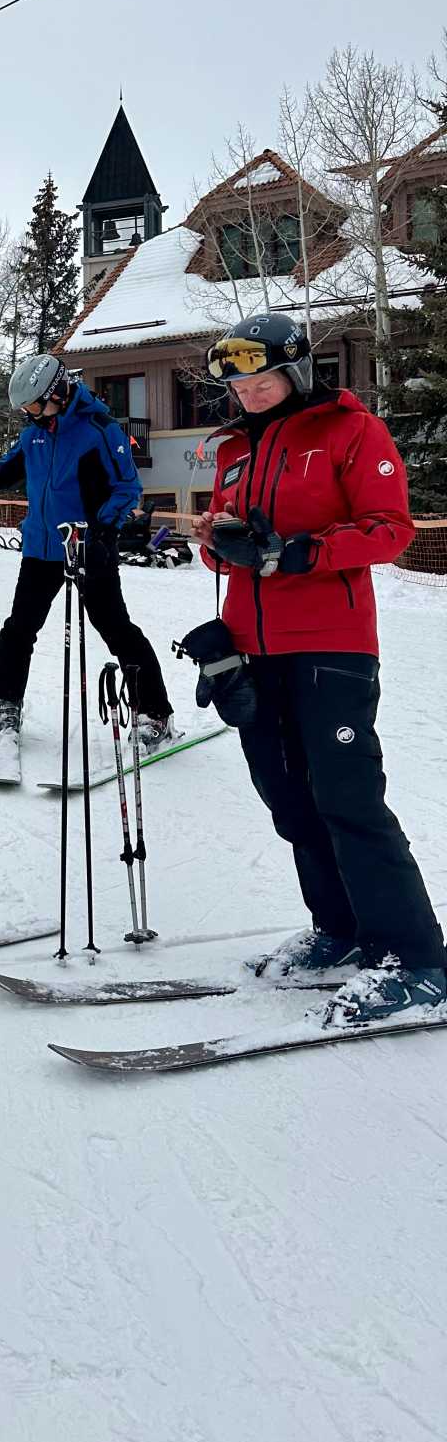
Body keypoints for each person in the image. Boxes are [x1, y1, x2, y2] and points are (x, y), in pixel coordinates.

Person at [192, 312, 444, 1025]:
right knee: (289, 801)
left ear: (295, 373)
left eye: (262, 378)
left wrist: (302, 551)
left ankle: (418, 959)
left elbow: (390, 531)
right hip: (253, 649)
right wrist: (223, 548)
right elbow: (224, 543)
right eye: (239, 383)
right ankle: (340, 932)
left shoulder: (349, 431)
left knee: (348, 800)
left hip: (331, 649)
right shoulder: (234, 450)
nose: (249, 392)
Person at [0, 354, 174, 748]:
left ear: (58, 392)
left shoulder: (100, 430)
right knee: (20, 627)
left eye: (33, 405)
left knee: (115, 628)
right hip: (41, 548)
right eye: (25, 409)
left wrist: (101, 534)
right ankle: (8, 701)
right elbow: (4, 473)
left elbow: (127, 489)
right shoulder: (34, 434)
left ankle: (155, 711)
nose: (29, 414)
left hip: (87, 547)